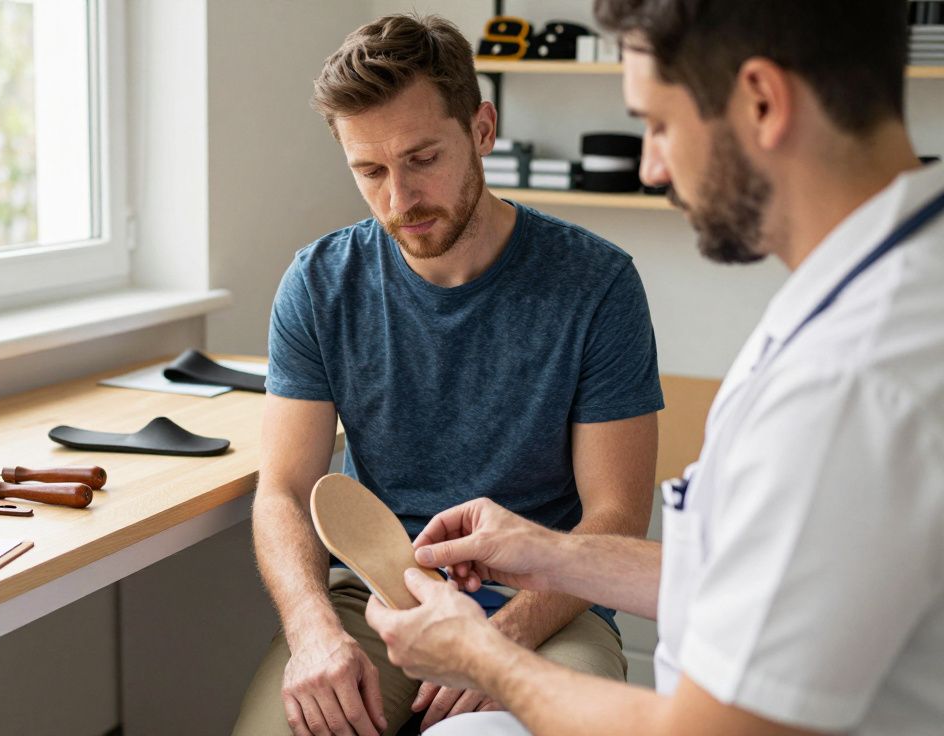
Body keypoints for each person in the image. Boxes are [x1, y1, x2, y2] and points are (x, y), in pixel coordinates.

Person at [364, 1, 944, 734]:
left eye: (659, 124)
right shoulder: (884, 282)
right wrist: (551, 554)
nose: (650, 166)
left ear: (763, 102)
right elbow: (770, 582)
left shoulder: (851, 384)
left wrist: (482, 656)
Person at [232, 13, 666, 736]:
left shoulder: (597, 285)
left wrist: (502, 643)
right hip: (378, 595)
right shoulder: (318, 285)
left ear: (483, 129)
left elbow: (616, 515)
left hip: (551, 609)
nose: (400, 200)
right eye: (369, 171)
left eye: (423, 158)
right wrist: (313, 632)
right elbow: (282, 489)